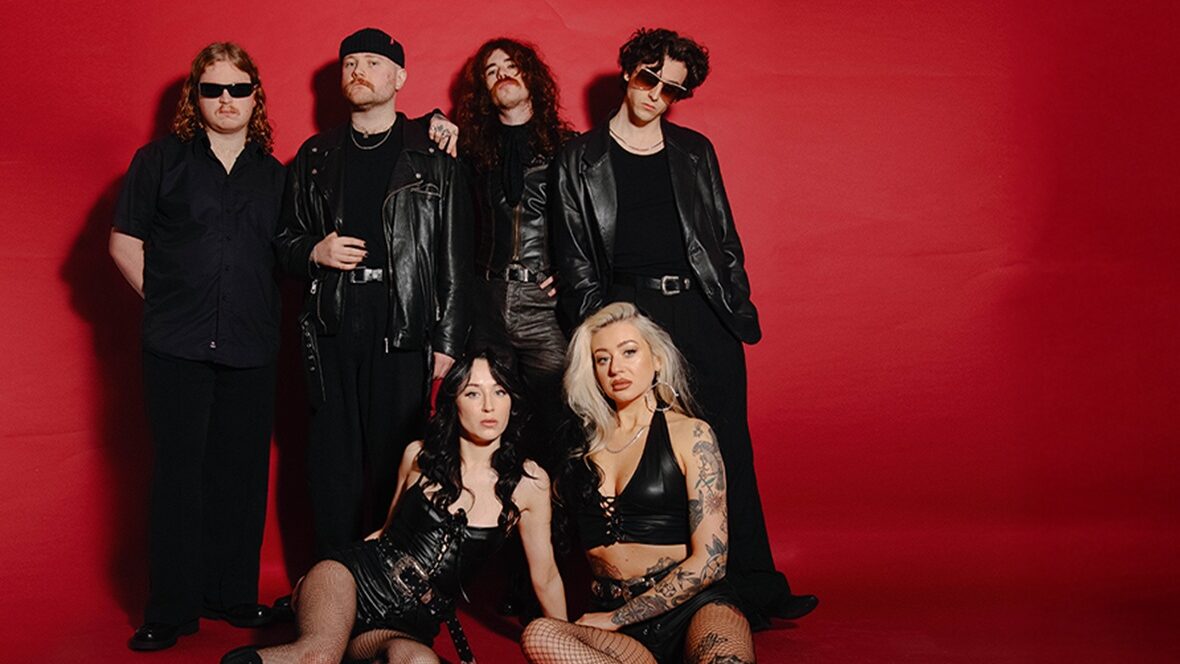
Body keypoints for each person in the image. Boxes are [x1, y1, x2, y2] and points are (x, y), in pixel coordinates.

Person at [551, 27, 817, 626]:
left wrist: (732, 300)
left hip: (701, 312)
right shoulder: (579, 158)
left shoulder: (695, 150)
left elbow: (723, 239)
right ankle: (653, 592)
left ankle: (755, 588)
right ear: (628, 72)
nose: (656, 95)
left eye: (672, 89)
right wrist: (606, 328)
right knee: (644, 449)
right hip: (632, 315)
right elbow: (574, 257)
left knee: (728, 448)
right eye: (650, 79)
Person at [222, 351, 566, 664]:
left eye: (500, 392)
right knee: (319, 656)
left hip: (406, 625)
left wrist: (565, 639)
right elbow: (385, 533)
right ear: (454, 403)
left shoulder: (528, 483)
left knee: (419, 661)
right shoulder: (419, 456)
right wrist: (315, 584)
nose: (489, 406)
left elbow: (546, 576)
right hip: (350, 580)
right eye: (473, 393)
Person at [109, 42, 284, 651]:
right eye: (214, 89)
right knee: (178, 477)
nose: (227, 99)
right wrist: (166, 302)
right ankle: (170, 610)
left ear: (255, 97)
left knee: (241, 475)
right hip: (176, 346)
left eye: (238, 88)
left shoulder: (275, 174)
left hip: (251, 345)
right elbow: (124, 243)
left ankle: (232, 594)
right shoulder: (158, 161)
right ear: (196, 96)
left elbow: (289, 252)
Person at [275, 27, 474, 558]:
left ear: (399, 77)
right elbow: (283, 243)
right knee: (332, 464)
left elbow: (456, 258)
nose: (359, 71)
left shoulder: (433, 155)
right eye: (350, 63)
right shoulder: (316, 155)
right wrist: (314, 251)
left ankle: (392, 586)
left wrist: (448, 341)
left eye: (372, 62)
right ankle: (332, 585)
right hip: (333, 320)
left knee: (400, 461)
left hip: (404, 321)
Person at [521, 302, 754, 663]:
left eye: (629, 352)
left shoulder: (691, 435)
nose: (616, 368)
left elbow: (712, 561)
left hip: (692, 606)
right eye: (602, 359)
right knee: (539, 634)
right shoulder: (577, 450)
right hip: (613, 617)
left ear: (657, 359)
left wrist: (618, 618)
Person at [456, 37, 575, 470]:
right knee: (488, 425)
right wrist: (433, 120)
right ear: (484, 91)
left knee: (561, 420)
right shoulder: (473, 150)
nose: (502, 74)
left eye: (511, 66)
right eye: (491, 71)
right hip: (486, 302)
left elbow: (597, 221)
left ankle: (558, 513)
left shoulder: (567, 147)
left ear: (531, 77)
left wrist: (572, 273)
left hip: (544, 306)